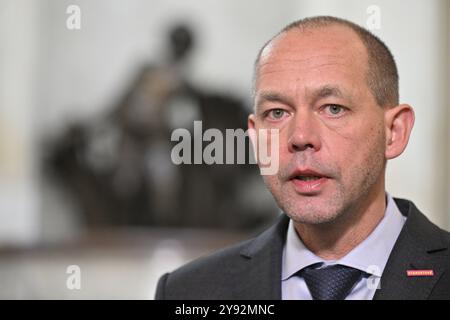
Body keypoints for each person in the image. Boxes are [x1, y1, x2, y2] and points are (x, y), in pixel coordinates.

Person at [154, 16, 450, 300]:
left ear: (394, 132)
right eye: (277, 113)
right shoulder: (189, 292)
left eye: (333, 108)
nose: (300, 137)